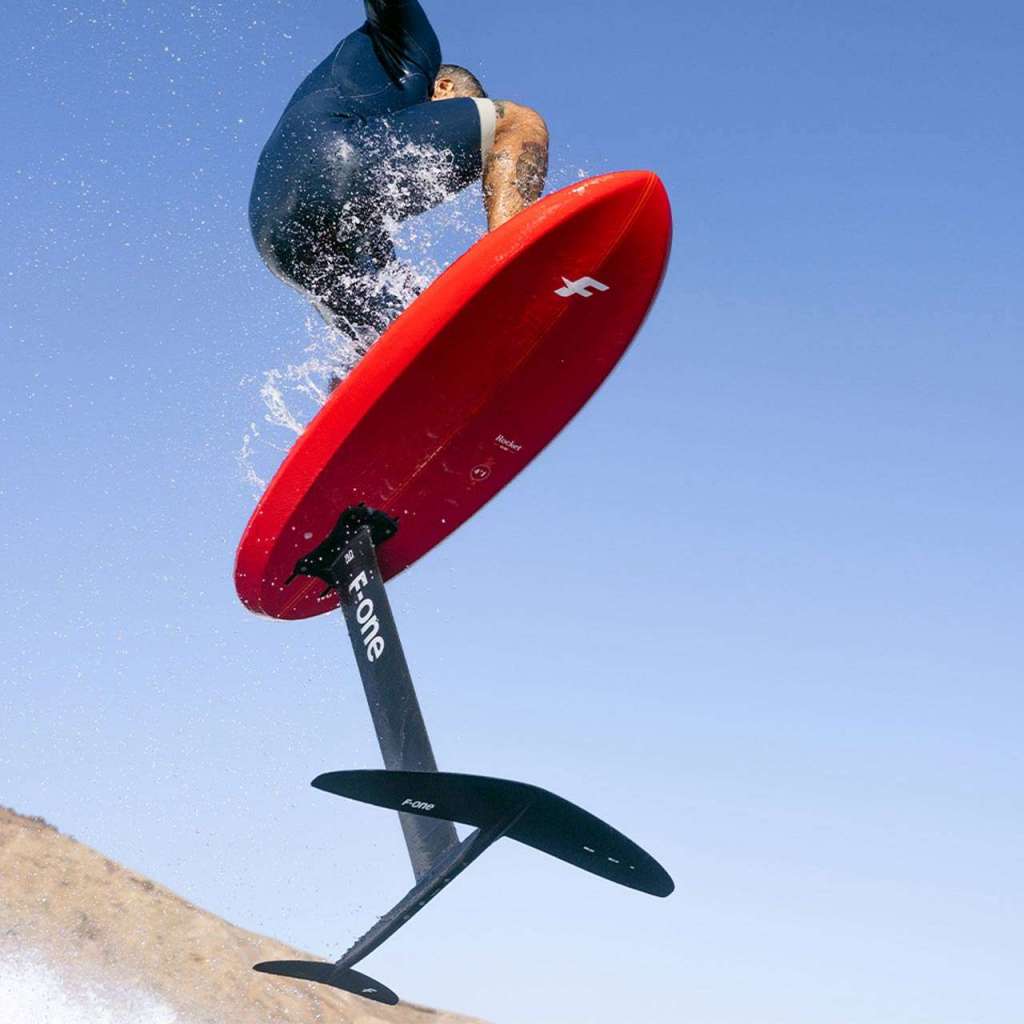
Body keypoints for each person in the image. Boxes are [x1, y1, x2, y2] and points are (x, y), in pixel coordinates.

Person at [249, 0, 549, 346]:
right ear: (444, 88)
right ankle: (514, 266)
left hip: (273, 233)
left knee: (401, 331)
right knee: (516, 123)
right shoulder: (414, 50)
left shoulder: (376, 132)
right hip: (336, 155)